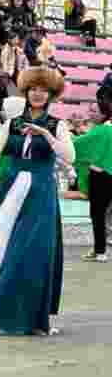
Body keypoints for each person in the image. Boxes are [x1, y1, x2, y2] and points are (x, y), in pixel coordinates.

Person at [0, 67, 74, 337]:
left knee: (34, 253)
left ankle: (33, 318)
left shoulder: (57, 124)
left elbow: (68, 156)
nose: (37, 94)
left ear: (50, 95)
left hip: (41, 193)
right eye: (33, 89)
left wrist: (46, 135)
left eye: (43, 90)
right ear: (26, 92)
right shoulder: (12, 124)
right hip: (10, 191)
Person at [72, 97, 112, 263]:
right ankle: (98, 249)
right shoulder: (105, 130)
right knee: (101, 215)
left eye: (94, 111)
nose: (90, 113)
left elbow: (78, 144)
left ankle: (100, 251)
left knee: (97, 215)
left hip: (101, 178)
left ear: (103, 114)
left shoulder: (100, 130)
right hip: (107, 176)